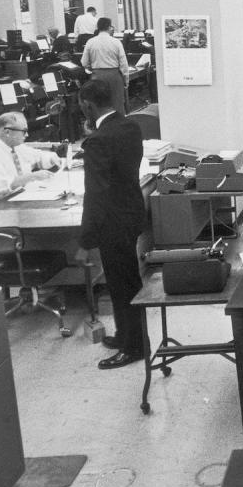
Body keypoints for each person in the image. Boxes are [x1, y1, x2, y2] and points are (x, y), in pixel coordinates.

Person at [74, 80, 147, 370]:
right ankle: (126, 335)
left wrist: (84, 241)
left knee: (121, 286)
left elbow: (96, 195)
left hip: (112, 224)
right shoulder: (130, 126)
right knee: (127, 281)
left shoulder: (97, 141)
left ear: (87, 105)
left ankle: (134, 347)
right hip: (131, 215)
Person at [0, 112, 61, 201]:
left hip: (21, 196)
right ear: (7, 132)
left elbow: (38, 156)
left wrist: (52, 158)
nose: (27, 135)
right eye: (24, 131)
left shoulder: (16, 147)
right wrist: (31, 177)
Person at [80, 17, 129, 116]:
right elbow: (123, 63)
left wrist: (92, 68)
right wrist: (126, 79)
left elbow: (84, 62)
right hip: (114, 76)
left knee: (99, 105)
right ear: (108, 27)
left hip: (97, 76)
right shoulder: (116, 42)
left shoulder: (90, 42)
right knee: (117, 104)